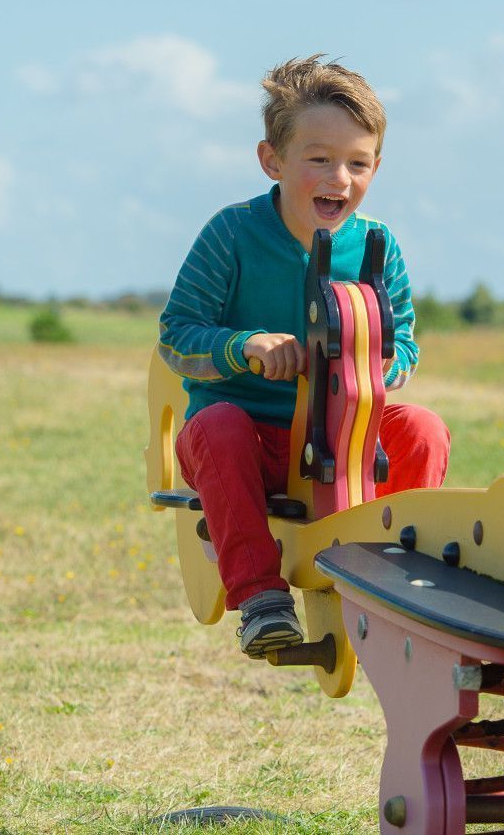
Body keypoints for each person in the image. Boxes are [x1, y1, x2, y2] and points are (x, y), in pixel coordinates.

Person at [157, 55, 450, 659]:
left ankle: (399, 586)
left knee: (422, 428)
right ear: (272, 160)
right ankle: (261, 599)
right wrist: (245, 347)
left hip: (341, 438)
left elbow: (404, 347)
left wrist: (363, 366)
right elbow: (176, 336)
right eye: (318, 159)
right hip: (247, 443)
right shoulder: (232, 234)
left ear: (377, 166)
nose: (339, 177)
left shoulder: (378, 245)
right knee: (218, 427)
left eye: (357, 162)